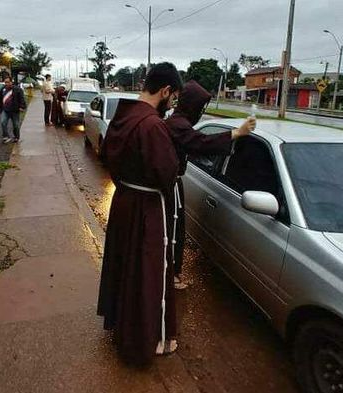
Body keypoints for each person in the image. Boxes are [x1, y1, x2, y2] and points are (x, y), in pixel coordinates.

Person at [97, 62, 183, 365]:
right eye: (173, 97)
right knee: (150, 273)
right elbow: (166, 173)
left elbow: (106, 155)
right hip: (147, 209)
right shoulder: (152, 124)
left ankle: (124, 325)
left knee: (126, 267)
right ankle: (150, 340)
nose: (172, 104)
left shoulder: (123, 115)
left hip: (124, 202)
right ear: (165, 91)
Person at [165, 80, 256, 289]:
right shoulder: (179, 125)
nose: (202, 111)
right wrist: (236, 133)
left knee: (176, 230)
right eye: (201, 106)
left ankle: (171, 272)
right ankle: (170, 275)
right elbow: (200, 143)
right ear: (192, 105)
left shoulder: (179, 122)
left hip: (173, 184)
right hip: (171, 185)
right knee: (173, 232)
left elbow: (195, 145)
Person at [0, 77, 26, 143]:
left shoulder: (17, 89)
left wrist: (22, 107)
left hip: (14, 110)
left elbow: (22, 99)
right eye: (5, 82)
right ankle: (6, 136)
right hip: (5, 110)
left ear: (11, 82)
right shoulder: (3, 89)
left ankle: (16, 137)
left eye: (7, 82)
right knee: (3, 122)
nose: (6, 84)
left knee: (16, 125)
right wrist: (0, 105)